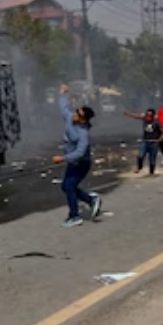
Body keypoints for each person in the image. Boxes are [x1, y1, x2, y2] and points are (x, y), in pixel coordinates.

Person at [53, 84, 101, 227]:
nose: (74, 115)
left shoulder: (83, 134)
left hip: (81, 163)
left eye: (78, 115)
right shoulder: (70, 118)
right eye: (76, 112)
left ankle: (74, 216)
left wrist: (62, 158)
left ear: (84, 120)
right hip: (72, 162)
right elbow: (63, 108)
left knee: (69, 186)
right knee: (66, 187)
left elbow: (80, 153)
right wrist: (62, 94)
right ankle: (91, 200)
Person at [123, 108, 163, 175]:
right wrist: (128, 114)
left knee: (152, 160)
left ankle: (151, 173)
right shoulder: (145, 119)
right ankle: (139, 167)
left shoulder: (157, 122)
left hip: (154, 143)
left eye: (150, 116)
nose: (148, 117)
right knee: (140, 155)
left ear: (153, 116)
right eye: (147, 115)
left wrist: (160, 138)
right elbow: (136, 116)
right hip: (145, 141)